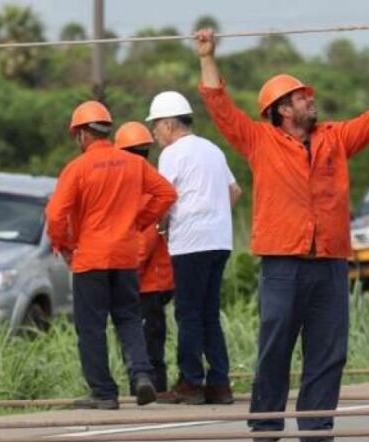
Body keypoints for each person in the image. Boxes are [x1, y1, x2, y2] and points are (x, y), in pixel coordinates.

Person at [195, 28, 369, 442]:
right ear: (282, 109)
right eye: (302, 97)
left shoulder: (335, 139)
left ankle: (317, 434)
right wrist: (208, 56)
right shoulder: (258, 140)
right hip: (282, 264)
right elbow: (219, 105)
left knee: (328, 350)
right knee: (275, 348)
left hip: (330, 262)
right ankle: (265, 434)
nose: (310, 100)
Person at [45, 101, 177, 410]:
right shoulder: (132, 163)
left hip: (90, 258)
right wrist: (139, 221)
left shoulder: (77, 168)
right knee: (129, 320)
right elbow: (167, 194)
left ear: (81, 134)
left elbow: (54, 216)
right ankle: (142, 375)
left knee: (91, 327)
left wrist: (63, 245)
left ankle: (103, 392)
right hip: (126, 256)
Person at [146, 90, 242, 405]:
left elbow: (164, 197)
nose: (154, 133)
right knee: (208, 314)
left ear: (170, 124)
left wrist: (161, 225)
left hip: (190, 244)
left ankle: (190, 381)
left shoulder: (172, 154)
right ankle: (219, 383)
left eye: (156, 125)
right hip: (219, 241)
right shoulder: (212, 149)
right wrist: (213, 215)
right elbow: (235, 192)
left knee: (188, 313)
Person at [115, 121, 176, 395]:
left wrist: (126, 271)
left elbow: (147, 237)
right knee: (148, 339)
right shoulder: (144, 180)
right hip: (148, 280)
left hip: (147, 282)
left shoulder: (144, 185)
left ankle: (154, 390)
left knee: (148, 341)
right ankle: (147, 387)